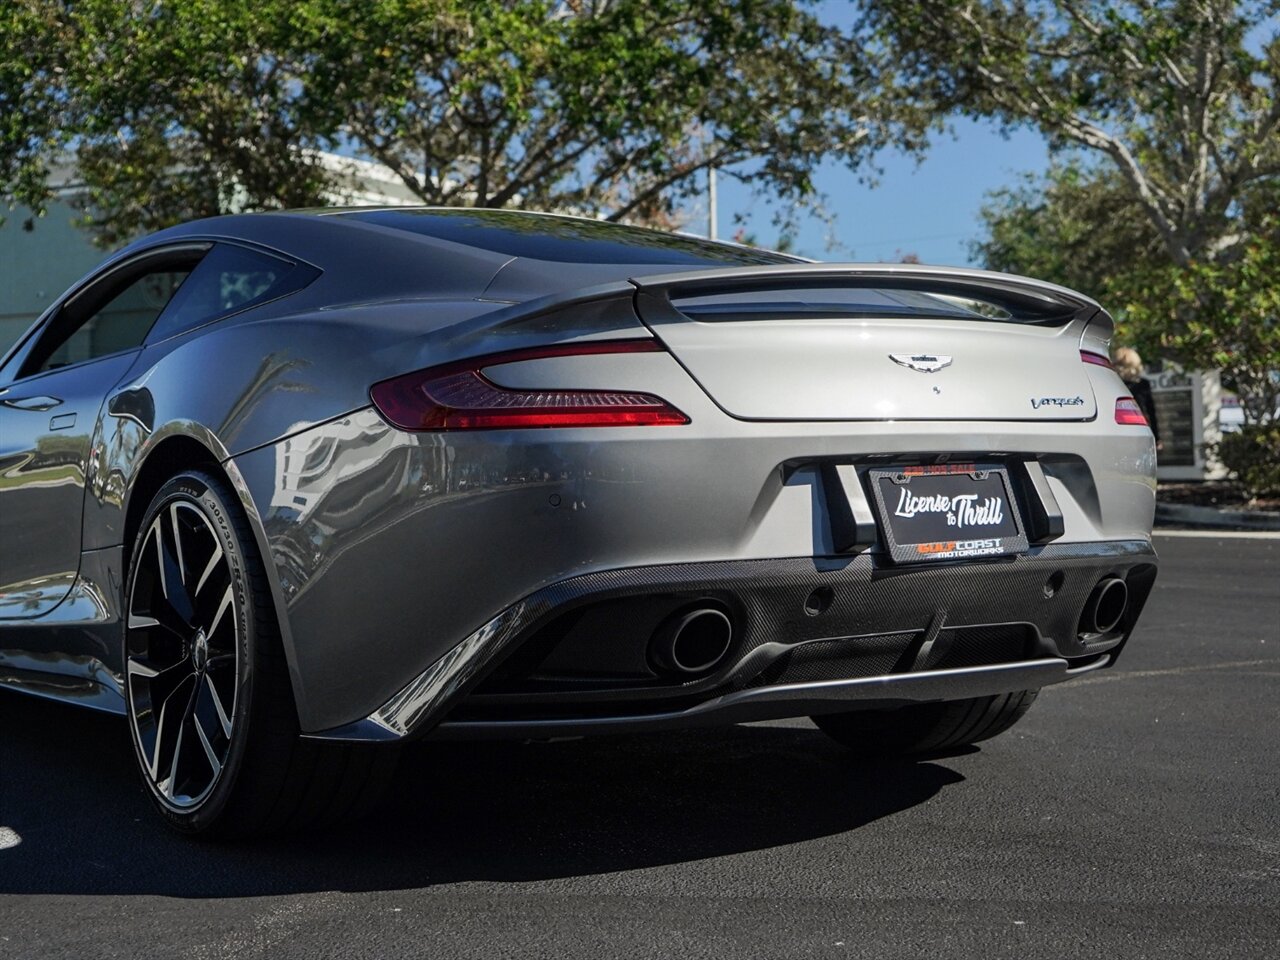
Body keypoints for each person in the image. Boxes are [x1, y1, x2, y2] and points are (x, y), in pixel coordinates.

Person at [1113, 346, 1161, 450]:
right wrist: (1156, 438)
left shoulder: (1112, 384)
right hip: (1140, 428)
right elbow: (1151, 411)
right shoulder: (1143, 385)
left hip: (1117, 429)